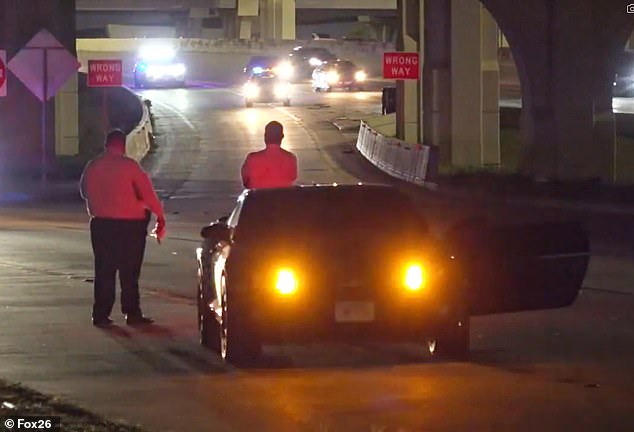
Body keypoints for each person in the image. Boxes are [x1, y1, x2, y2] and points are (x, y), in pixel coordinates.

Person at [79, 129, 166, 328]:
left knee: (104, 271)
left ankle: (100, 314)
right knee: (129, 272)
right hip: (130, 226)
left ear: (106, 145)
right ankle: (131, 312)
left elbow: (84, 192)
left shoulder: (93, 166)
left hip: (101, 225)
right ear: (123, 145)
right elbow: (147, 194)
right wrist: (160, 216)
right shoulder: (130, 167)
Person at [241, 121, 298, 189]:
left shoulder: (252, 158)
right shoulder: (290, 158)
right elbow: (292, 178)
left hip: (258, 198)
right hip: (283, 198)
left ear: (265, 136)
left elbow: (246, 182)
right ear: (282, 137)